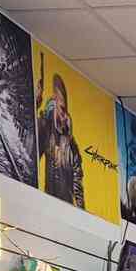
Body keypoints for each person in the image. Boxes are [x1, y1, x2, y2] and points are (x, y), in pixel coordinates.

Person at [36, 71, 84, 208]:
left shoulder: (72, 147)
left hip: (67, 208)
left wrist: (81, 212)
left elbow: (78, 184)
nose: (63, 115)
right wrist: (35, 103)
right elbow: (32, 143)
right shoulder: (47, 130)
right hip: (49, 204)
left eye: (65, 110)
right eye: (61, 109)